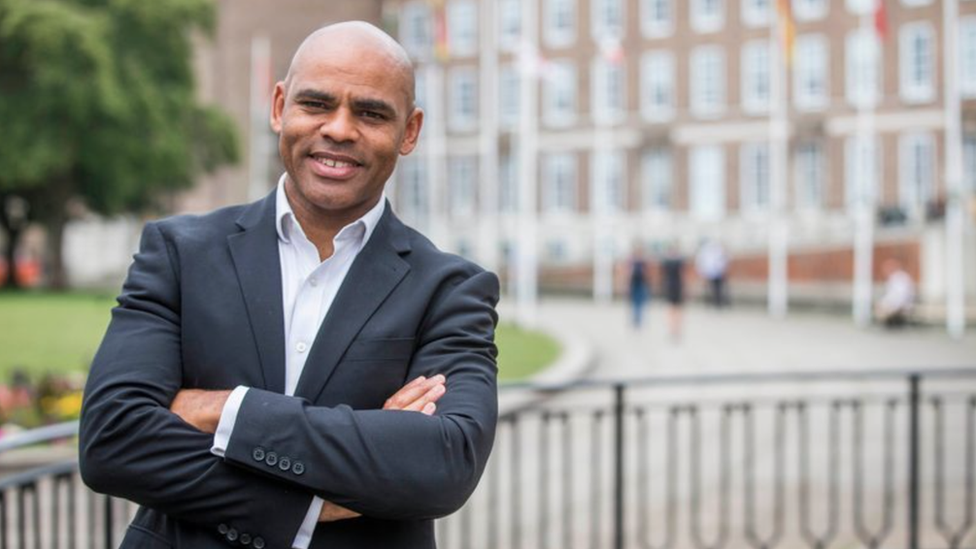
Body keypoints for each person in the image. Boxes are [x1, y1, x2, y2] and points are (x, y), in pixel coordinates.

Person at [79, 22, 499, 549]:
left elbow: (444, 462)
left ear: (409, 131)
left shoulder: (451, 290)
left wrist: (225, 410)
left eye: (370, 113)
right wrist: (311, 504)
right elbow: (112, 441)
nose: (339, 129)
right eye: (317, 103)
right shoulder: (180, 254)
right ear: (279, 107)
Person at [875, 258, 915, 328]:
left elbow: (901, 296)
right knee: (881, 307)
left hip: (902, 305)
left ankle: (891, 324)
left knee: (884, 309)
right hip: (898, 304)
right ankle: (889, 324)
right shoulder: (894, 278)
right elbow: (891, 295)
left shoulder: (900, 278)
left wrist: (887, 305)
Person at [659, 242, 685, 341]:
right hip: (673, 286)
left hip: (674, 286)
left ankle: (675, 328)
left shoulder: (669, 261)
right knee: (673, 309)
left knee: (675, 309)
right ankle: (674, 329)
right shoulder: (676, 261)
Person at [695, 238, 729, 308]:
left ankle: (718, 302)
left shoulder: (718, 251)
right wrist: (703, 272)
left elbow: (723, 261)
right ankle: (710, 302)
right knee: (710, 288)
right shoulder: (705, 253)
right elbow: (702, 263)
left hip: (718, 272)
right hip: (710, 272)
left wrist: (722, 270)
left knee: (718, 288)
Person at [627, 245, 650, 328]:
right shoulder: (632, 262)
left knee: (640, 304)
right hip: (634, 285)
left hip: (641, 284)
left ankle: (639, 320)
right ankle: (636, 320)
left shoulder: (643, 262)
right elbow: (629, 274)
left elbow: (647, 274)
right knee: (635, 304)